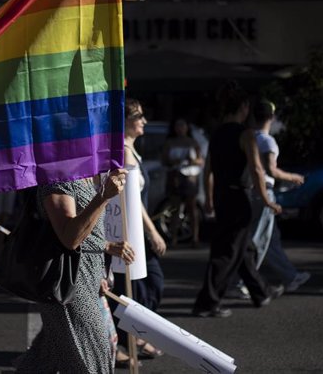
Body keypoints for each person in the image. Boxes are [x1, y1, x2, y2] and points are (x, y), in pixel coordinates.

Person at [13, 168, 127, 373]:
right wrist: (103, 197)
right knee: (92, 359)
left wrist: (100, 267)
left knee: (46, 359)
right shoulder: (55, 179)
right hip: (70, 285)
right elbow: (70, 238)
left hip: (88, 279)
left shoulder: (82, 175)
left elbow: (89, 233)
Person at [192, 81, 284, 317]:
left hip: (223, 195)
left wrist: (210, 197)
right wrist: (266, 199)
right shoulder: (246, 135)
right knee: (226, 251)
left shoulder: (217, 134)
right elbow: (256, 169)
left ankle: (260, 292)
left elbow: (208, 170)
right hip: (238, 196)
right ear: (243, 107)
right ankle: (207, 302)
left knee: (242, 247)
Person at [110, 98, 167, 365]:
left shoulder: (131, 149)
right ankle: (128, 340)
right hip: (130, 231)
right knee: (134, 288)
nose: (143, 121)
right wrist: (153, 231)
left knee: (149, 284)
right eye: (138, 116)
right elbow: (130, 199)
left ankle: (136, 337)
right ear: (125, 122)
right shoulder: (121, 152)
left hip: (137, 230)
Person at [250, 99, 311, 292]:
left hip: (251, 191)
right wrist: (293, 177)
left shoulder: (249, 137)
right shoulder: (267, 141)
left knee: (270, 239)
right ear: (272, 117)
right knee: (259, 239)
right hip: (264, 191)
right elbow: (271, 169)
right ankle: (244, 283)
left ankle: (290, 276)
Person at [162, 118, 204, 246]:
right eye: (178, 126)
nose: (180, 129)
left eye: (183, 126)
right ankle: (173, 238)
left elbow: (200, 160)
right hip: (175, 176)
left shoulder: (192, 142)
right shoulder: (170, 142)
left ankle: (195, 237)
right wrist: (174, 161)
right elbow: (164, 160)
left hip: (190, 177)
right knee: (175, 208)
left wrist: (191, 160)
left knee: (192, 208)